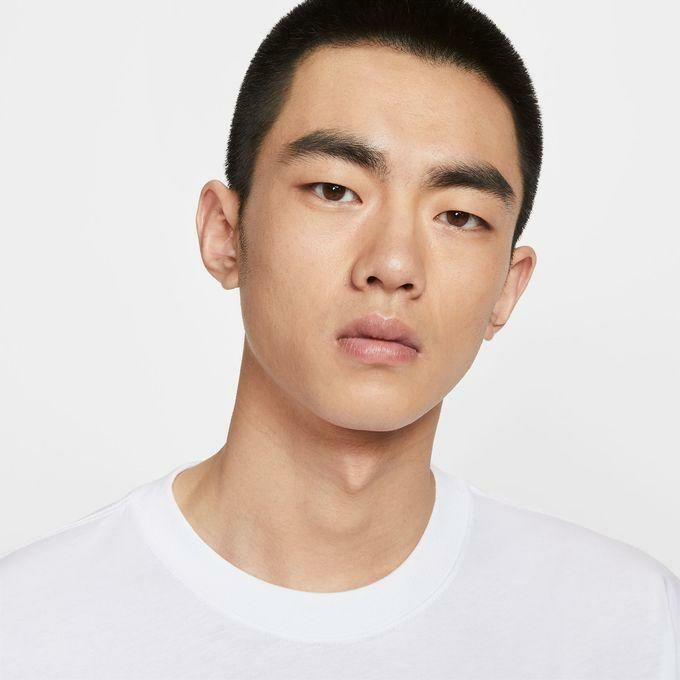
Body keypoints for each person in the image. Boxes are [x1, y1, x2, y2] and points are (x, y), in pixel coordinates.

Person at [2, 0, 679, 677]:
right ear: (224, 234)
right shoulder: (31, 627)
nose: (395, 264)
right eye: (334, 190)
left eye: (459, 216)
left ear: (507, 287)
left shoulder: (628, 627)